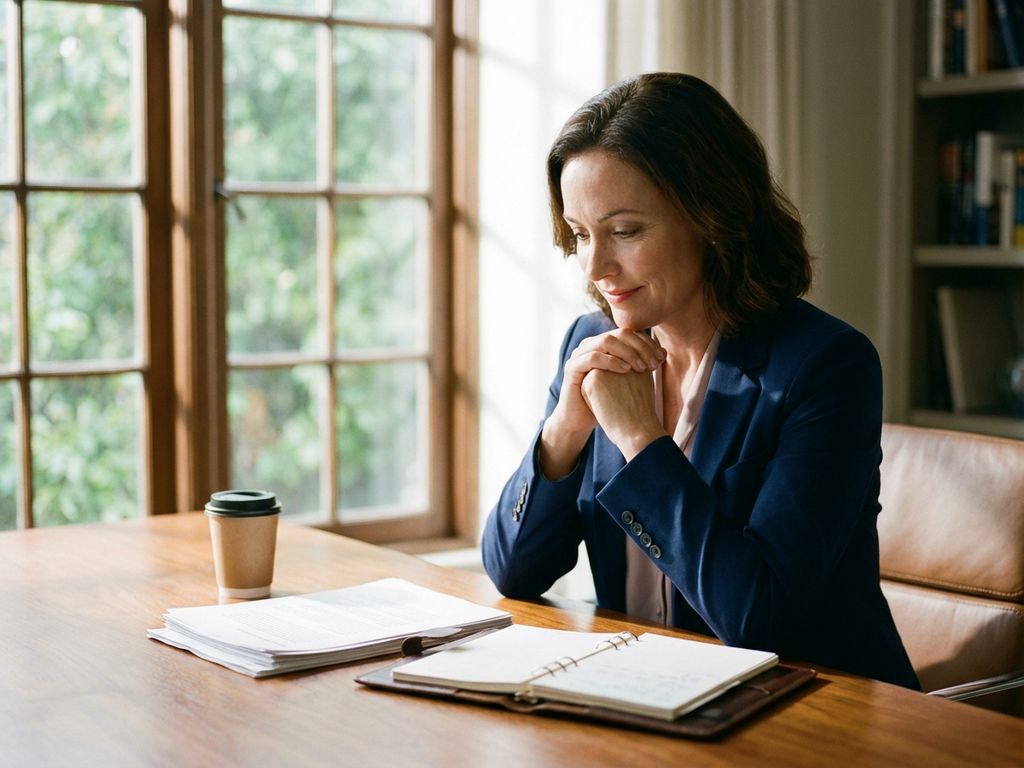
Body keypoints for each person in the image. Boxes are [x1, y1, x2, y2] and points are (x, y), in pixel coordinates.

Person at [481, 72, 920, 690]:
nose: (597, 266)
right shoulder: (590, 348)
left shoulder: (826, 367)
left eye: (626, 231)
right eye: (581, 235)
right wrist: (565, 428)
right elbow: (512, 570)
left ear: (710, 215)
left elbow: (754, 616)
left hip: (809, 714)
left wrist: (640, 438)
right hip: (648, 699)